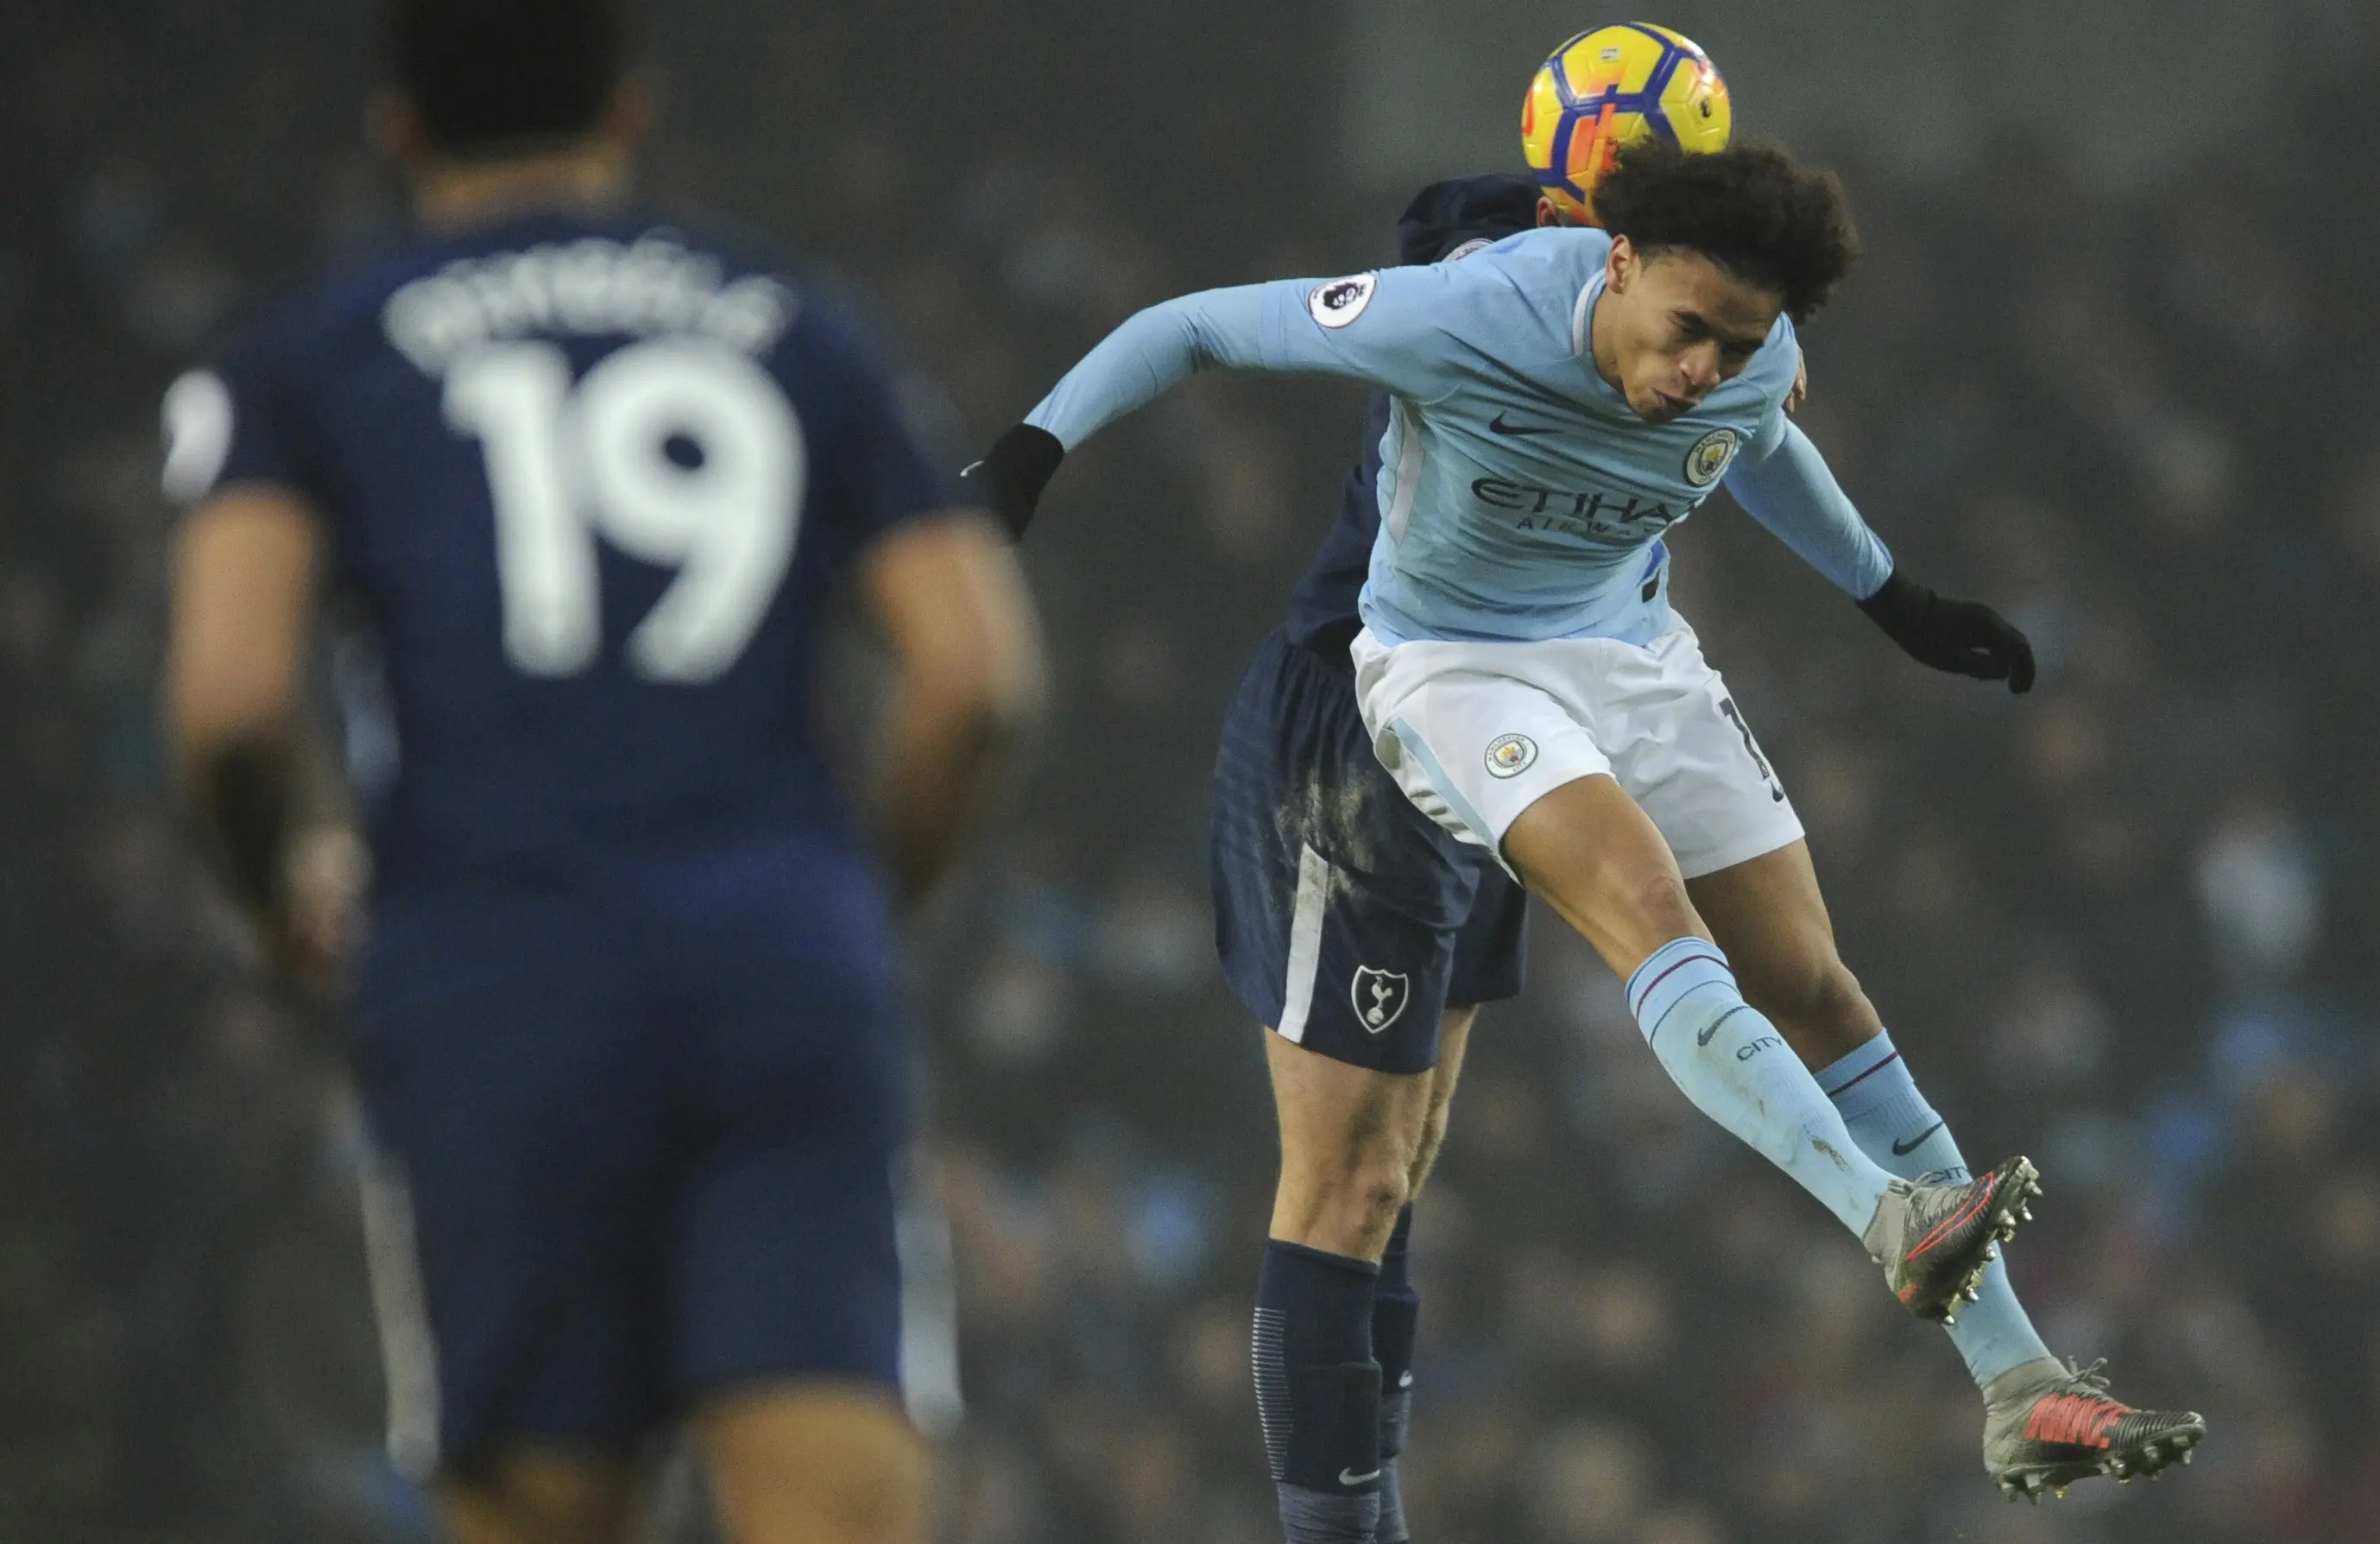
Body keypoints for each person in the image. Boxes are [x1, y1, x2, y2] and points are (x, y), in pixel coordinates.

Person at [968, 139, 2201, 1529]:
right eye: (1683, 333)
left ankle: (2016, 1381)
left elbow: (1762, 450)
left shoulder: (1744, 348)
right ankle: (1880, 1217)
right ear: (1613, 259)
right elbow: (1196, 324)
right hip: (1450, 669)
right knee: (1628, 926)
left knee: (1813, 987)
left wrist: (1893, 598)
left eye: (1733, 344)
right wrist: (1026, 453)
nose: (1699, 369)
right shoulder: (1464, 308)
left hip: (1629, 656)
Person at [160, 2, 1042, 1540]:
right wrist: (850, 896)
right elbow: (974, 678)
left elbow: (231, 704)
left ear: (399, 130)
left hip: (494, 976)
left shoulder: (308, 351)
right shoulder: (796, 320)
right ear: (629, 114)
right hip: (776, 957)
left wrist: (278, 885)